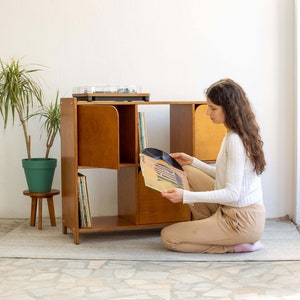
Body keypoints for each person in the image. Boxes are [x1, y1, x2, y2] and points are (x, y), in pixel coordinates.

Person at [161, 78, 266, 254]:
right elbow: (223, 175)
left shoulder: (234, 140)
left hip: (240, 220)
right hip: (236, 213)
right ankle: (214, 231)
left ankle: (234, 245)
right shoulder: (235, 134)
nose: (208, 112)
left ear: (230, 109)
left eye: (213, 108)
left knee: (169, 237)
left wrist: (185, 196)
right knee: (187, 171)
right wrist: (192, 161)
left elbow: (233, 193)